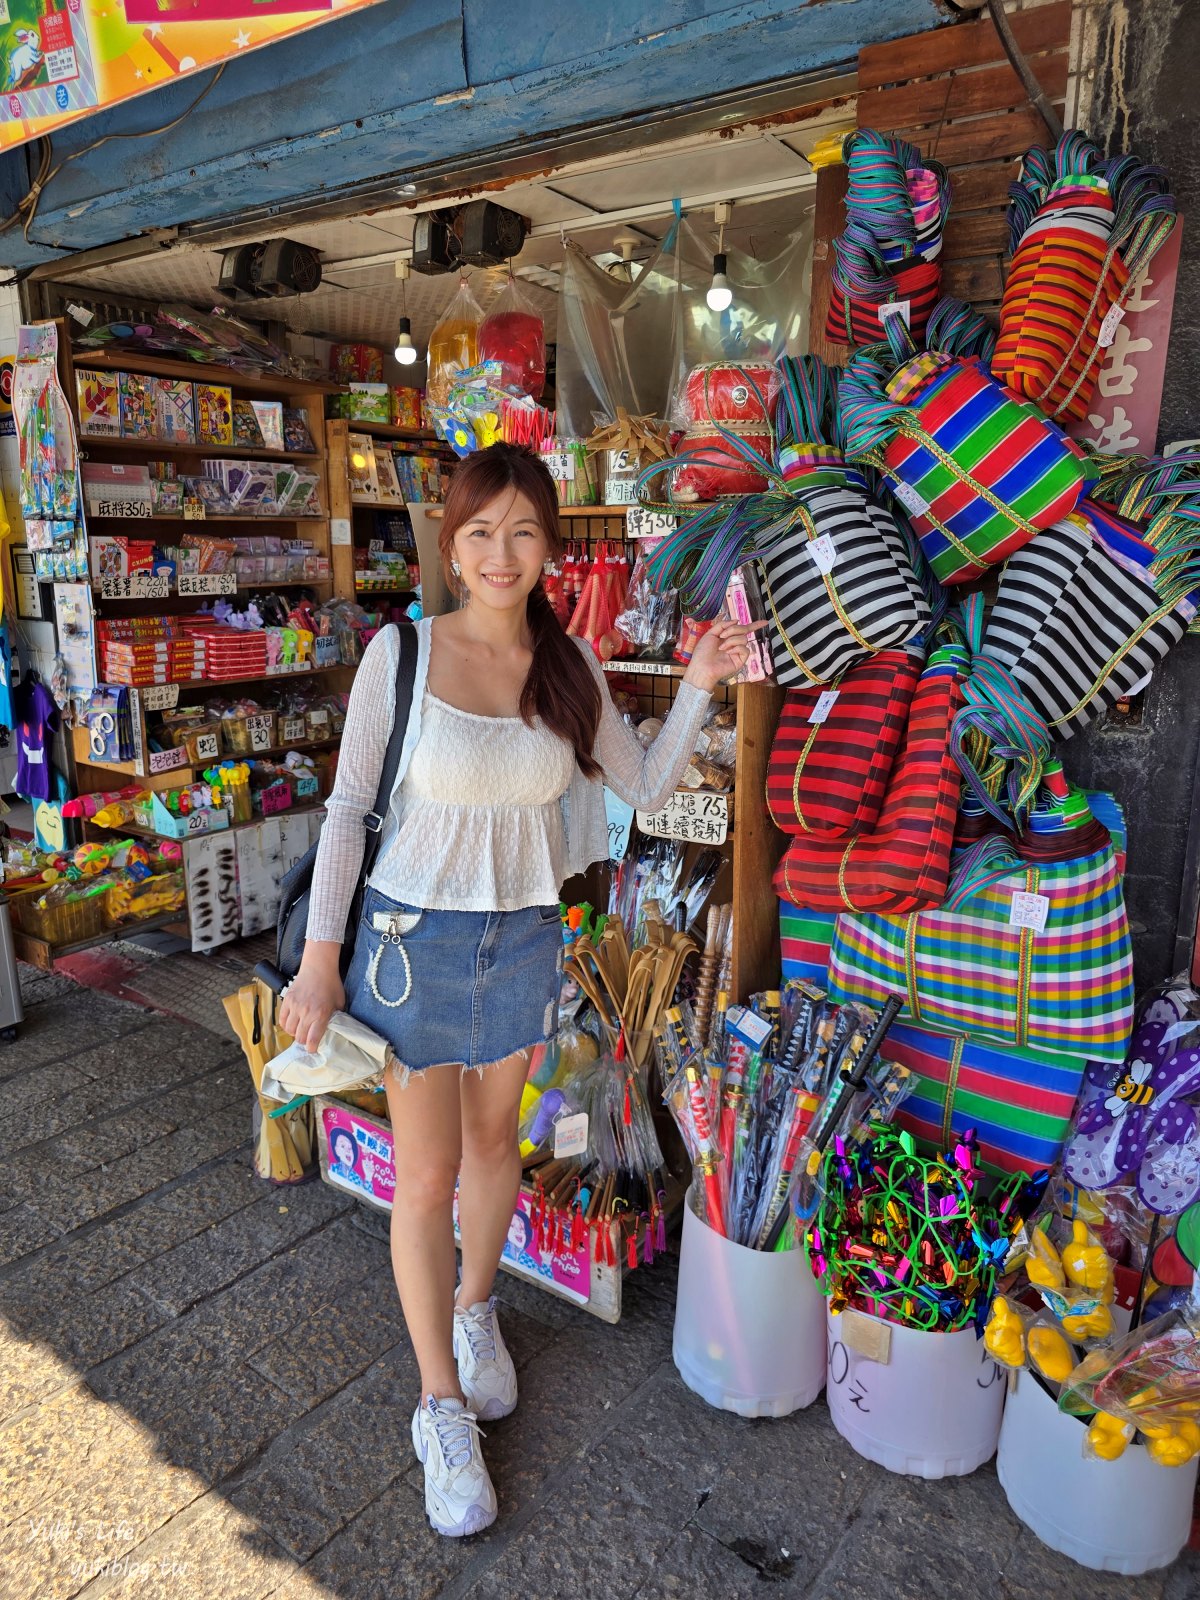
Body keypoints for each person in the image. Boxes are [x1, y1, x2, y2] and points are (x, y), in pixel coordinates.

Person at [281, 442, 758, 1537]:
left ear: (549, 547)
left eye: (524, 532)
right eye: (481, 531)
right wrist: (318, 957)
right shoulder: (400, 654)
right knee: (428, 1172)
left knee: (496, 1149)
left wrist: (693, 691)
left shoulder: (570, 664)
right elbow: (350, 812)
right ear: (452, 542)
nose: (502, 553)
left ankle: (476, 1308)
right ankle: (439, 1406)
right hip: (408, 945)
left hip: (528, 941)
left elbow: (640, 782)